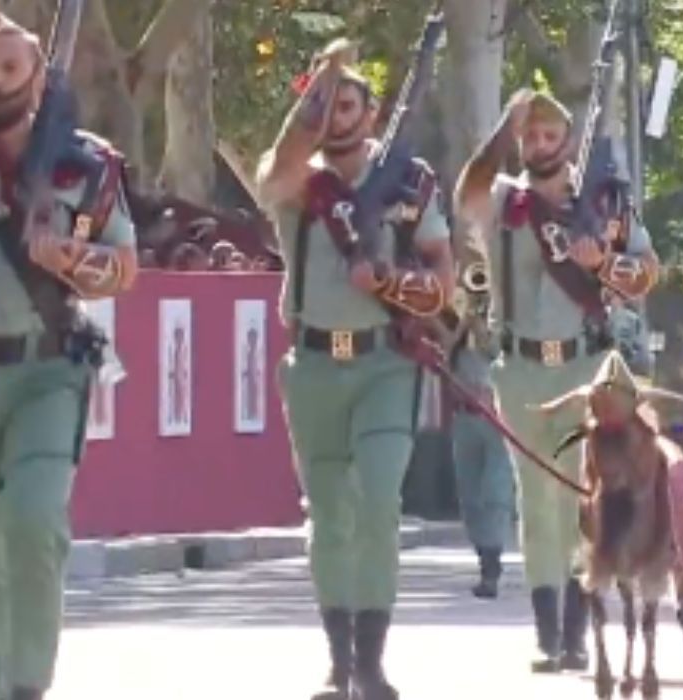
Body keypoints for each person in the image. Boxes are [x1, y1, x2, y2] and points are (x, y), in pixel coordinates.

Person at [256, 38, 454, 699]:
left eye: (349, 103)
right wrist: (324, 75)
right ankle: (338, 661)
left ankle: (371, 664)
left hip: (383, 366)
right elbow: (279, 163)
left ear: (371, 114)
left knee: (377, 505)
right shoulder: (296, 182)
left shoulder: (409, 181)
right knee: (330, 516)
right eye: (326, 103)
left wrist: (392, 279)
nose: (337, 114)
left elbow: (443, 279)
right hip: (312, 364)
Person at [454, 89, 658, 672]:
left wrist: (602, 265)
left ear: (569, 141)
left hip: (584, 367)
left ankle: (576, 628)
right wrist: (503, 126)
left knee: (575, 495)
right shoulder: (504, 201)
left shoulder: (602, 201)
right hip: (519, 368)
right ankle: (549, 633)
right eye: (530, 136)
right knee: (535, 500)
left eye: (550, 135)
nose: (539, 146)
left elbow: (646, 273)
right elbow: (465, 192)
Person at [0, 5, 139, 698]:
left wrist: (73, 258)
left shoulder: (87, 164)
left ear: (39, 75)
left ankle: (26, 687)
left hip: (47, 369)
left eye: (10, 67)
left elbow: (125, 268)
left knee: (35, 523)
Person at [447, 280, 516, 600]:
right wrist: (462, 326)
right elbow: (442, 357)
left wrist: (484, 328)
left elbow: (503, 354)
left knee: (495, 490)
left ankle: (492, 564)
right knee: (470, 496)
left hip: (498, 416)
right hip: (464, 417)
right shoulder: (458, 323)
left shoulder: (505, 321)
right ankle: (483, 557)